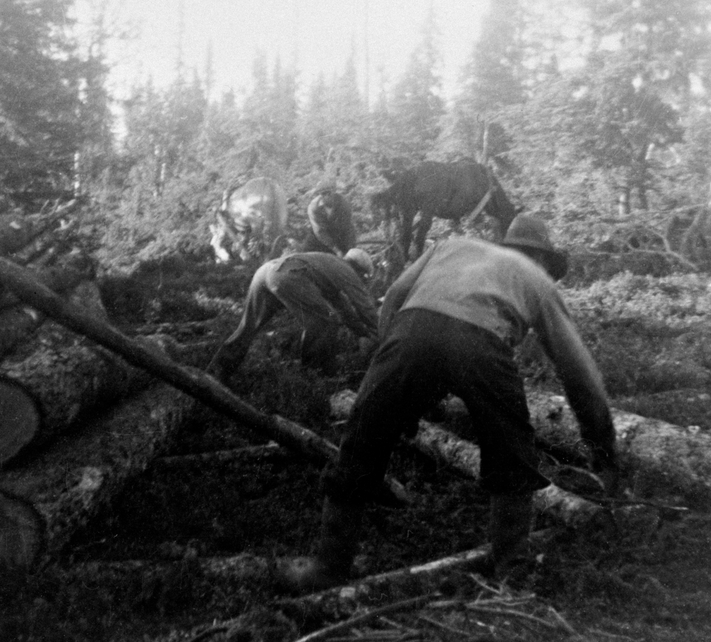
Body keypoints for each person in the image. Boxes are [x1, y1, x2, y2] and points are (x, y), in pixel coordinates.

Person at [280, 214, 620, 592]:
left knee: (363, 438)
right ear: (543, 259)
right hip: (483, 344)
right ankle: (512, 571)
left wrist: (390, 373)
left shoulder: (452, 245)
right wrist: (603, 449)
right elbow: (579, 373)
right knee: (511, 451)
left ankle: (328, 566)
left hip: (411, 329)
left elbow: (393, 297)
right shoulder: (535, 277)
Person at [209, 248, 379, 378]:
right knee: (325, 322)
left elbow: (345, 311)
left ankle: (216, 373)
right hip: (287, 276)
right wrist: (381, 332)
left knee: (248, 327)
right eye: (363, 276)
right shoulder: (346, 270)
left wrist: (362, 332)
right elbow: (365, 306)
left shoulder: (329, 264)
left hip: (265, 272)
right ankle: (314, 375)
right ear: (359, 269)